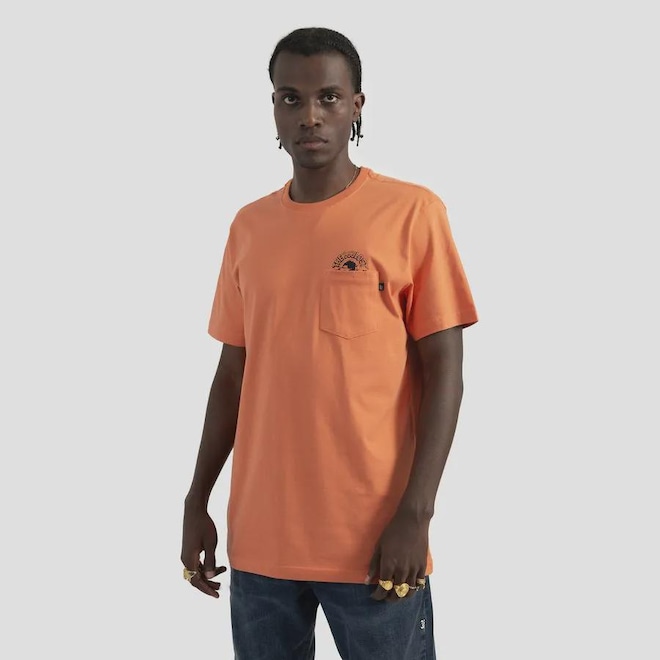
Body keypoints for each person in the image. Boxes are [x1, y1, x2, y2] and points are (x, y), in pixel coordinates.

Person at [181, 26, 478, 660]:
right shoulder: (249, 227)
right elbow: (232, 375)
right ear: (273, 107)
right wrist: (196, 498)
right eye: (291, 98)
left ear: (356, 105)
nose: (310, 115)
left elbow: (445, 372)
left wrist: (416, 513)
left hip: (376, 543)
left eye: (329, 97)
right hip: (260, 543)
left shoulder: (412, 212)